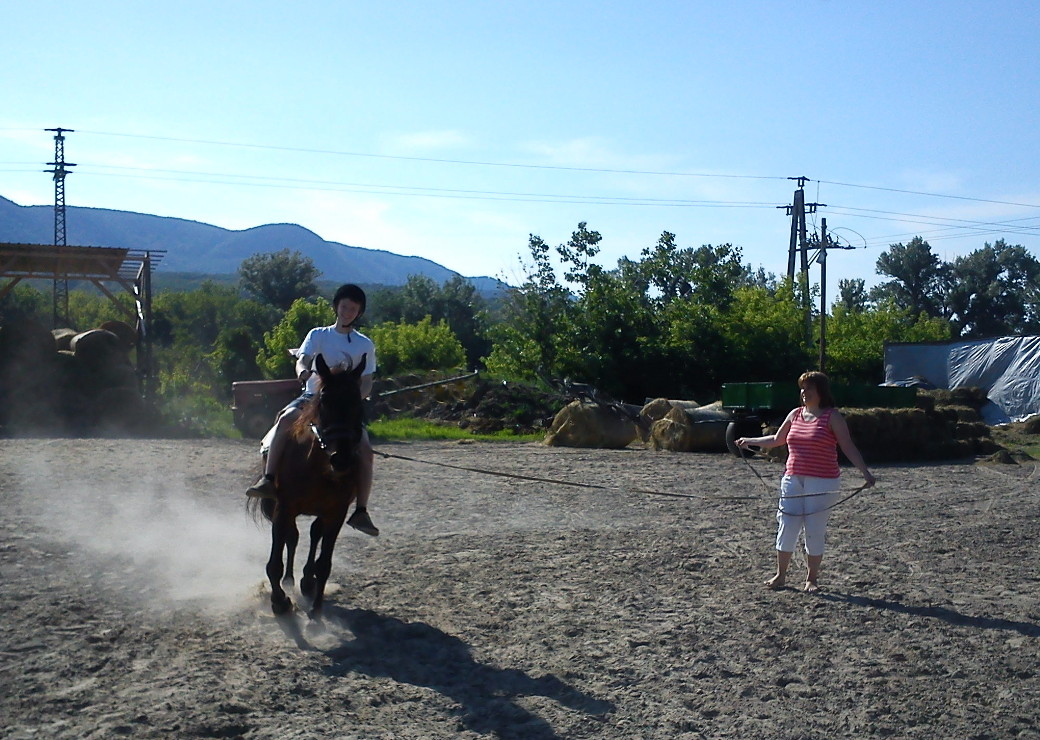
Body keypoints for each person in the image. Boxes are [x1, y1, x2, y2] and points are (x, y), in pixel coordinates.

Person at [246, 283, 380, 537]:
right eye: (344, 307)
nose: (347, 312)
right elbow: (303, 359)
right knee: (285, 419)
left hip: (343, 408)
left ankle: (361, 509)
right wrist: (303, 373)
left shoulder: (365, 345)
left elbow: (367, 381)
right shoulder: (318, 334)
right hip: (311, 397)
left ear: (358, 312)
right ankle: (268, 478)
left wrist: (351, 400)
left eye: (353, 309)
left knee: (365, 449)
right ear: (336, 308)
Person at [736, 371, 875, 592]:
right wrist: (748, 441)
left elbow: (847, 446)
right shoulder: (795, 415)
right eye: (802, 388)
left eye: (809, 388)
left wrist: (865, 473)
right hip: (792, 478)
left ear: (820, 391)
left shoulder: (832, 417)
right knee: (787, 524)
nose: (804, 392)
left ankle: (811, 579)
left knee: (814, 528)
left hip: (823, 482)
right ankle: (780, 576)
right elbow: (777, 439)